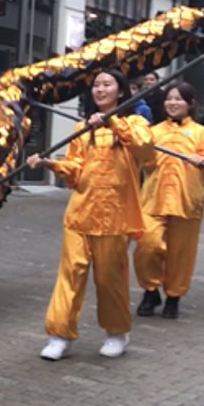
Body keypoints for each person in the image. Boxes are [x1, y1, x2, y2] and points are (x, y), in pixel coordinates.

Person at [27, 70, 151, 361]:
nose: (100, 89)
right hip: (80, 214)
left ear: (121, 91)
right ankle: (59, 334)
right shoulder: (83, 127)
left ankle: (117, 332)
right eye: (96, 85)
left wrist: (112, 121)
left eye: (107, 84)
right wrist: (50, 164)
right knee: (70, 275)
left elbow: (144, 148)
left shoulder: (135, 123)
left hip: (114, 217)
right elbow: (75, 171)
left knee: (109, 279)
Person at [133, 82, 204, 319]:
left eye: (178, 99)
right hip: (153, 199)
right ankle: (150, 290)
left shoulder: (201, 133)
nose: (173, 103)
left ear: (189, 104)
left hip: (187, 201)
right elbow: (142, 160)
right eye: (169, 99)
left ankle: (174, 296)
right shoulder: (153, 132)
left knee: (181, 253)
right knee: (147, 245)